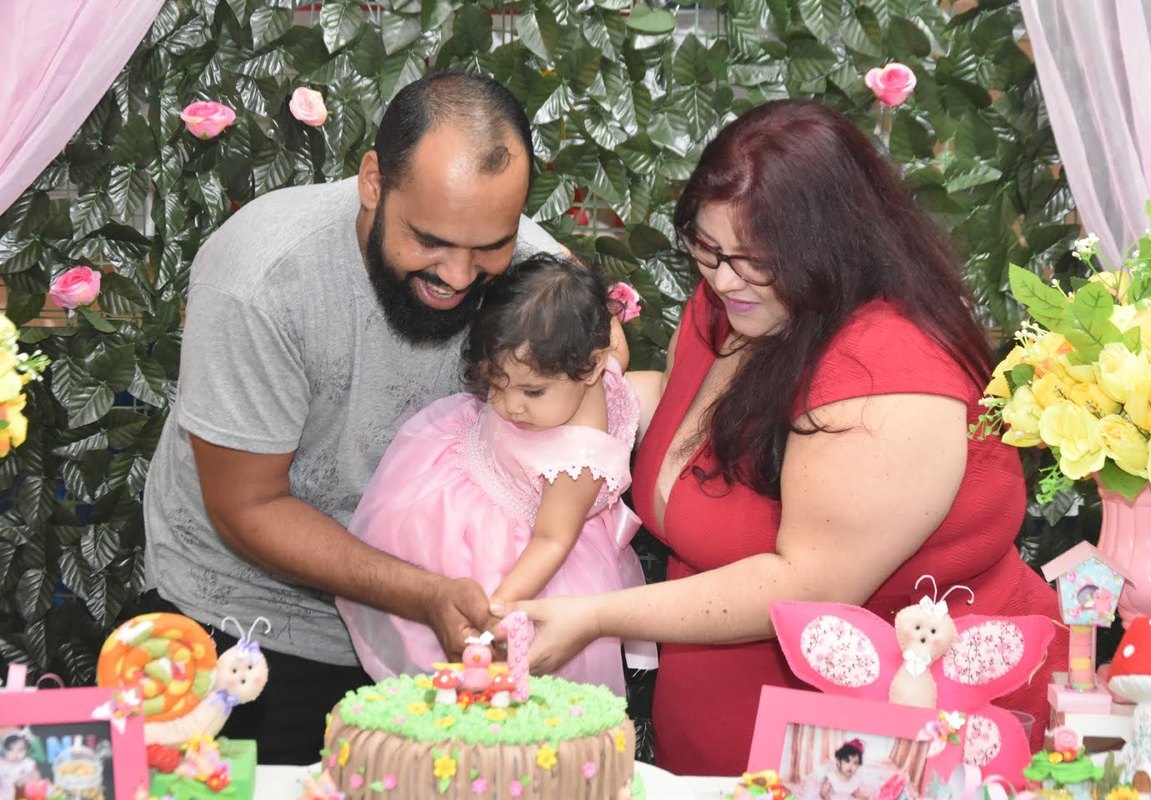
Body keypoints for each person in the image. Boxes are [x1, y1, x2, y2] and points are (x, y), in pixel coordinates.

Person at [493, 99, 1067, 776]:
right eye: (706, 248)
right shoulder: (743, 301)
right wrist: (544, 407)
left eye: (751, 259)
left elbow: (809, 583)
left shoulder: (886, 378)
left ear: (828, 248)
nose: (720, 277)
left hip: (884, 757)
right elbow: (682, 410)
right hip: (722, 750)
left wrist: (594, 617)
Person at [138, 71, 561, 764]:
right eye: (430, 240)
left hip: (439, 640)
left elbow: (599, 356)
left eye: (490, 245)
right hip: (250, 631)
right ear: (373, 182)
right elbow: (248, 508)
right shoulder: (264, 276)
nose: (460, 275)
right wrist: (424, 594)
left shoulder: (529, 267)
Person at [337, 253, 654, 695]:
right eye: (496, 383)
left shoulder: (579, 460)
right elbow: (616, 344)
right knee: (398, 563)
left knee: (467, 677)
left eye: (531, 391)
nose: (509, 406)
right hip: (463, 477)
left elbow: (552, 540)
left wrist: (496, 611)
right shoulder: (582, 358)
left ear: (591, 366)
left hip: (515, 552)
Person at [0, 734, 39, 800]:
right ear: (4, 751)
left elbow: (37, 778)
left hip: (24, 796)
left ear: (26, 750)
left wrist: (27, 780)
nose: (15, 754)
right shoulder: (1, 764)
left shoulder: (28, 763)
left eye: (20, 750)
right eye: (10, 749)